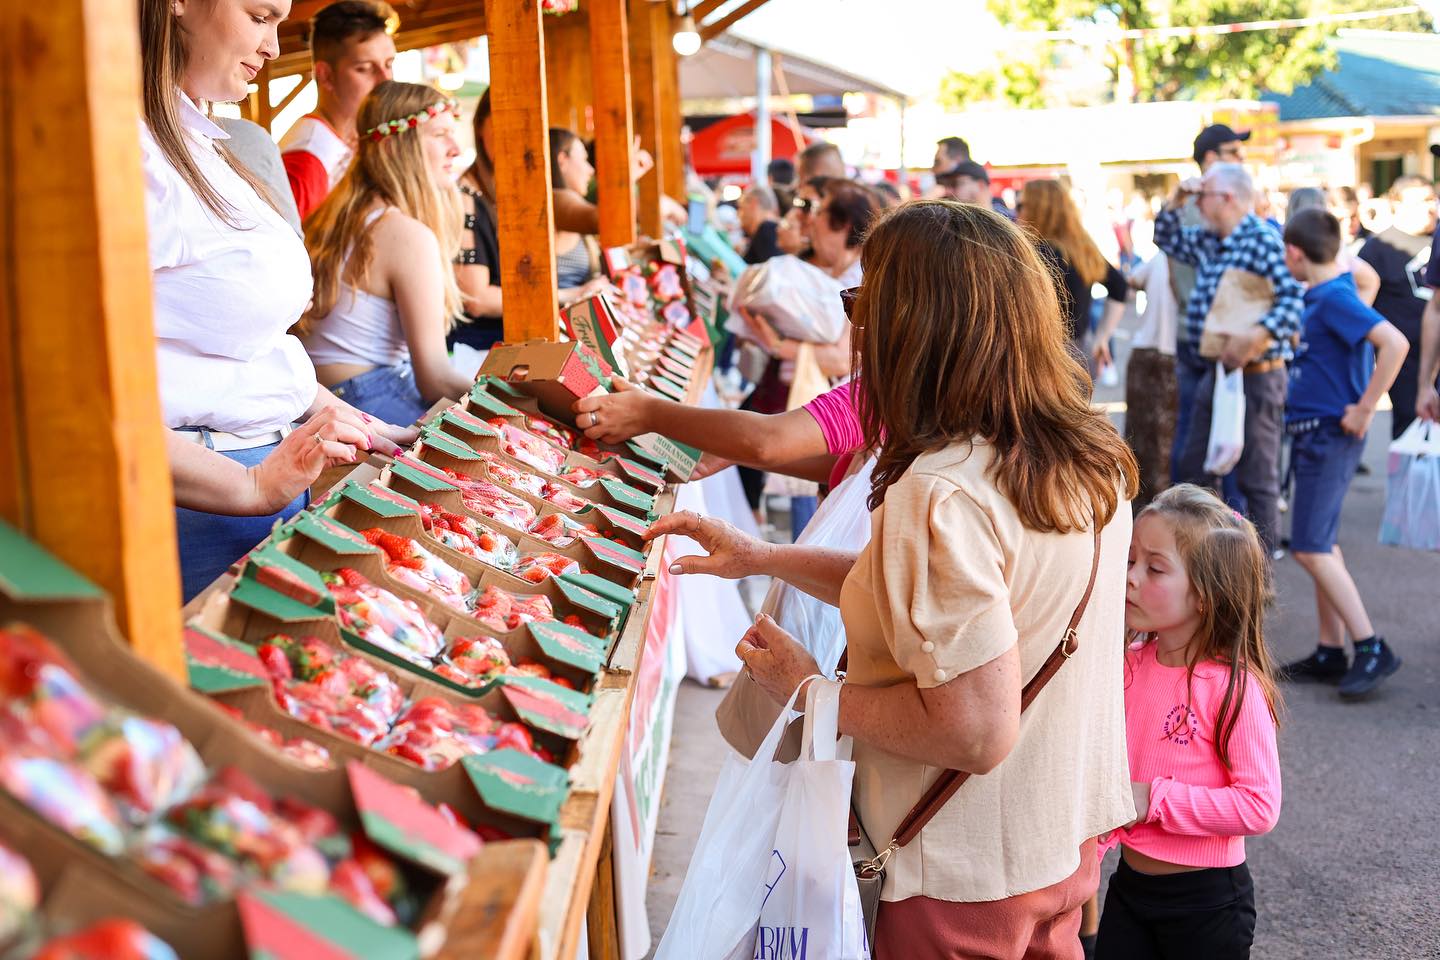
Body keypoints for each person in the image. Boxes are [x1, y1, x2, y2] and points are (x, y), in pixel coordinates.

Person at [651, 200, 1138, 955]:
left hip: (953, 875)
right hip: (1058, 842)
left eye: (860, 300)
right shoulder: (1086, 455)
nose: (853, 322)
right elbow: (960, 610)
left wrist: (811, 692)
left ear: (912, 323)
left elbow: (974, 728)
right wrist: (764, 556)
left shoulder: (939, 492)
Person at [140, 0, 412, 601]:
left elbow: (254, 344)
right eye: (261, 16)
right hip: (202, 498)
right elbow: (88, 392)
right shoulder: (131, 157)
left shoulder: (204, 140)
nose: (272, 46)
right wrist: (250, 487)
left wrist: (342, 418)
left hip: (265, 477)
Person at [1095, 484, 1282, 960]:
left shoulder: (1234, 688)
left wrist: (1153, 798)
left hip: (1209, 905)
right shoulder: (1126, 664)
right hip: (1129, 889)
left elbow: (1259, 806)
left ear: (1204, 594)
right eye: (1131, 559)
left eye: (1154, 568)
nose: (1131, 577)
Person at [1275, 209, 1409, 697]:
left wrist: (1366, 407)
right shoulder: (1329, 294)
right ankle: (1332, 649)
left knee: (1310, 546)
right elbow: (1367, 285)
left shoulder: (1332, 297)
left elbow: (1394, 343)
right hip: (1318, 434)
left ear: (1294, 251)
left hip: (1329, 434)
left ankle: (1371, 646)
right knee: (1321, 543)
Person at [300, 81, 473, 427]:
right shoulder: (406, 234)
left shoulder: (339, 213)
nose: (456, 148)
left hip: (322, 395)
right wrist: (509, 404)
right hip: (366, 395)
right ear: (395, 148)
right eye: (440, 135)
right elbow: (435, 379)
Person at [1154, 163, 1305, 554]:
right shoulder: (1210, 238)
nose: (1198, 202)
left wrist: (1256, 335)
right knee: (1197, 466)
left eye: (1205, 195)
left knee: (1256, 476)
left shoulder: (1260, 238)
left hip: (1256, 372)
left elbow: (1292, 299)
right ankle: (1211, 558)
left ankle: (1261, 575)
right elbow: (1165, 237)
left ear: (1229, 199)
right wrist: (1178, 197)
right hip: (1220, 370)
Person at [733, 180, 877, 532]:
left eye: (819, 214)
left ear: (843, 226)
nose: (810, 223)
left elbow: (842, 359)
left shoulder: (858, 277)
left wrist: (778, 344)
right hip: (826, 407)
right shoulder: (826, 270)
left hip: (832, 407)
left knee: (816, 512)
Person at [1169, 125, 1250, 488]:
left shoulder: (1232, 214)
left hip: (1219, 337)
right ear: (1211, 158)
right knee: (1204, 439)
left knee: (1215, 436)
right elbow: (1174, 255)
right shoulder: (1199, 208)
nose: (1242, 157)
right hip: (1204, 336)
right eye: (1233, 151)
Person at [279, 0, 398, 221]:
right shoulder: (307, 161)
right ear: (325, 75)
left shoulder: (354, 141)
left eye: (389, 64)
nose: (385, 79)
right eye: (364, 68)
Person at [1095, 252, 1179, 508]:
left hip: (1145, 352)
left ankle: (1138, 506)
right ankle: (1159, 508)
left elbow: (1131, 281)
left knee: (1140, 440)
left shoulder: (1159, 259)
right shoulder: (1191, 260)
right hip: (1173, 354)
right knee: (1164, 443)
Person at [1355, 176, 1437, 438]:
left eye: (1432, 199)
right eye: (1421, 201)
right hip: (1404, 361)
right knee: (1410, 430)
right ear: (1397, 205)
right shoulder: (1376, 249)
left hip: (1436, 354)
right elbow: (1359, 305)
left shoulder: (1436, 238)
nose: (1431, 207)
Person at [1019, 180, 1128, 353]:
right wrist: (1102, 338)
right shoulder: (1081, 247)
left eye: (1021, 205)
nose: (1017, 213)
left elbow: (1119, 287)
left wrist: (1102, 337)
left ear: (1039, 209)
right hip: (1079, 353)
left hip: (1049, 358)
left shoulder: (1039, 253)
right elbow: (1119, 286)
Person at [450, 89, 503, 355]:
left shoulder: (504, 194)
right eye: (501, 123)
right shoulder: (464, 197)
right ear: (480, 126)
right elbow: (476, 299)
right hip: (476, 351)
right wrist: (567, 297)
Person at [547, 128, 610, 305]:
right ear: (562, 160)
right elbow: (603, 221)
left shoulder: (568, 201)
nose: (590, 170)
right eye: (583, 159)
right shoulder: (556, 200)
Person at [1286, 187, 1380, 306]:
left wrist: (1351, 315)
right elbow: (1370, 281)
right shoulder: (1333, 245)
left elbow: (1370, 281)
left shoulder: (1333, 246)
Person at [737, 186, 782, 264]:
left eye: (741, 208)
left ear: (753, 204)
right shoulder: (771, 229)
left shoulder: (767, 229)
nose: (738, 214)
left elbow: (770, 272)